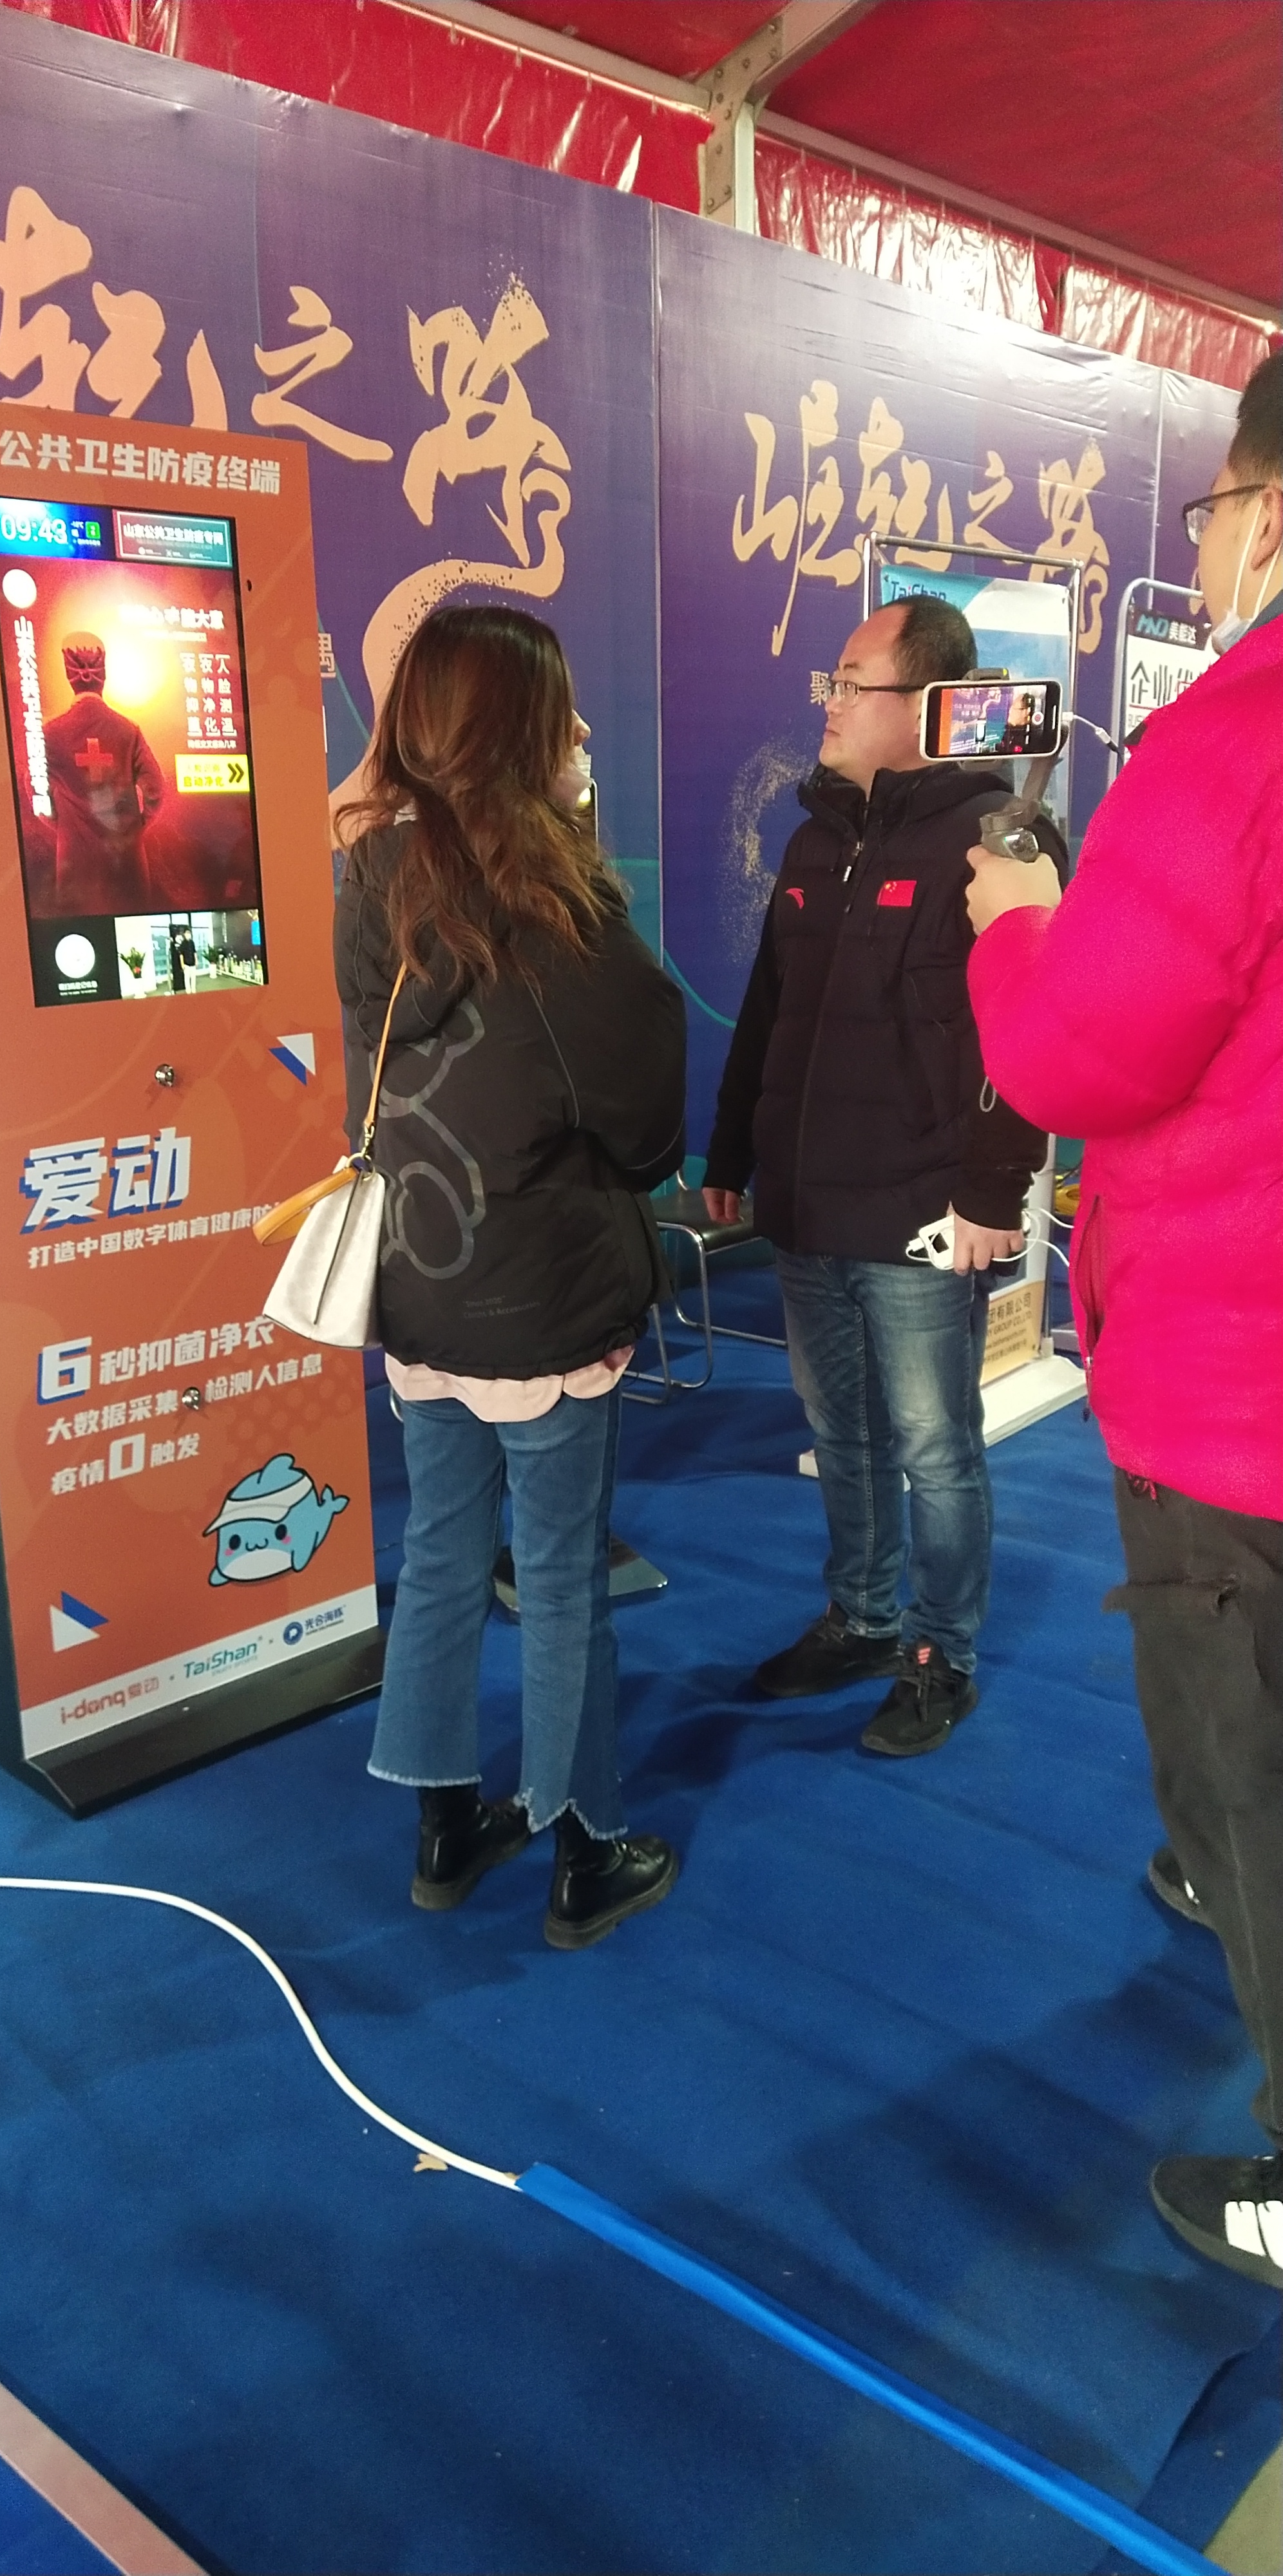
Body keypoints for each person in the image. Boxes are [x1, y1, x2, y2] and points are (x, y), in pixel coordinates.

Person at [964, 352, 1283, 2289]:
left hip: (1239, 1405)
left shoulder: (1232, 739)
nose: (1214, 544)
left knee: (1249, 1774)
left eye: (1217, 507)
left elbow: (1078, 1050)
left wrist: (1015, 922)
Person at [334, 603, 687, 1949]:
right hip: (544, 1299)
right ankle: (584, 1848)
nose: (585, 730)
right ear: (519, 731)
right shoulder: (555, 905)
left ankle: (444, 1826)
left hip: (422, 1285)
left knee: (438, 1553)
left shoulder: (373, 879)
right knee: (558, 1572)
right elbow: (646, 1125)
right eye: (564, 710)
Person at [703, 597, 1060, 1754]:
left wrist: (993, 1193)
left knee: (936, 1448)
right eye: (834, 680)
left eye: (852, 681)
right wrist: (732, 1150)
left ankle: (939, 1656)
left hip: (922, 1210)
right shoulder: (813, 840)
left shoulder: (1000, 840)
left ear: (928, 706)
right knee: (840, 1430)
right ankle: (859, 1618)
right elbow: (769, 1008)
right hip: (809, 1201)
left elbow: (1026, 1029)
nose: (831, 701)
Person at [42, 631, 164, 916]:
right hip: (126, 863)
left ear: (69, 675)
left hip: (75, 865)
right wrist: (136, 827)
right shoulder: (128, 730)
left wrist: (64, 826)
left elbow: (36, 793)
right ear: (103, 674)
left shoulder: (49, 733)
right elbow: (155, 789)